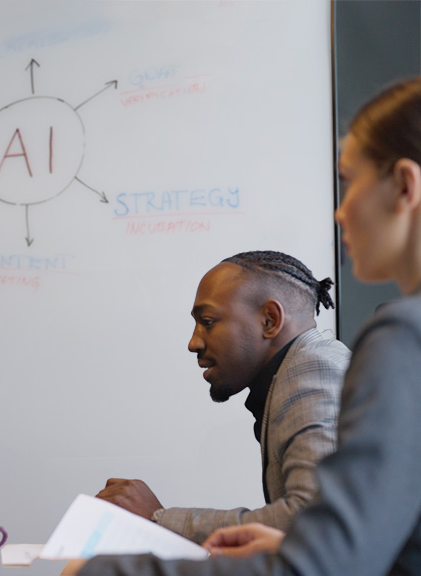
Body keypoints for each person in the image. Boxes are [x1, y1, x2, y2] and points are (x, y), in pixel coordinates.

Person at [77, 77, 421, 576]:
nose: (340, 211)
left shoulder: (332, 361)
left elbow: (333, 552)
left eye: (350, 182)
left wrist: (124, 557)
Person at [96, 251, 350, 543]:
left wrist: (159, 519)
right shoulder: (300, 370)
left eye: (208, 321)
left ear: (270, 320)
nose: (194, 342)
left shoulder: (313, 369)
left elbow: (312, 520)